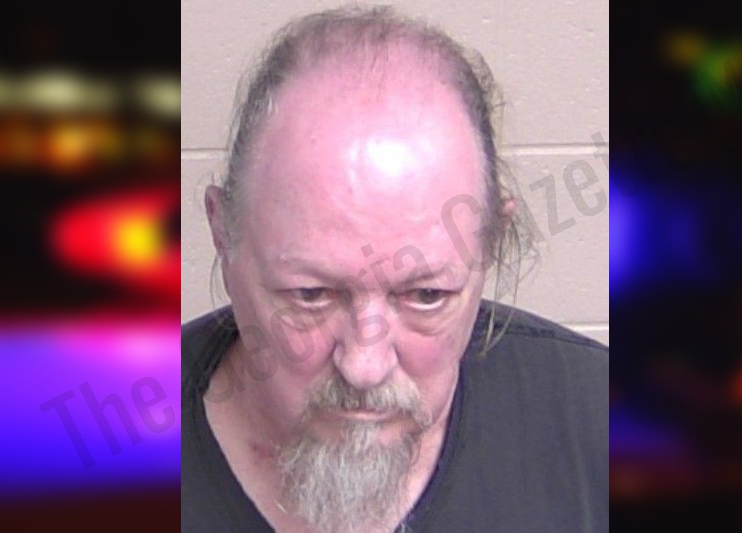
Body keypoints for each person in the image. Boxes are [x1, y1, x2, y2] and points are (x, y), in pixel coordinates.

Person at [181, 6, 607, 532]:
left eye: (426, 296)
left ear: (491, 242)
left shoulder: (604, 425)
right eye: (310, 294)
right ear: (223, 235)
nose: (364, 366)